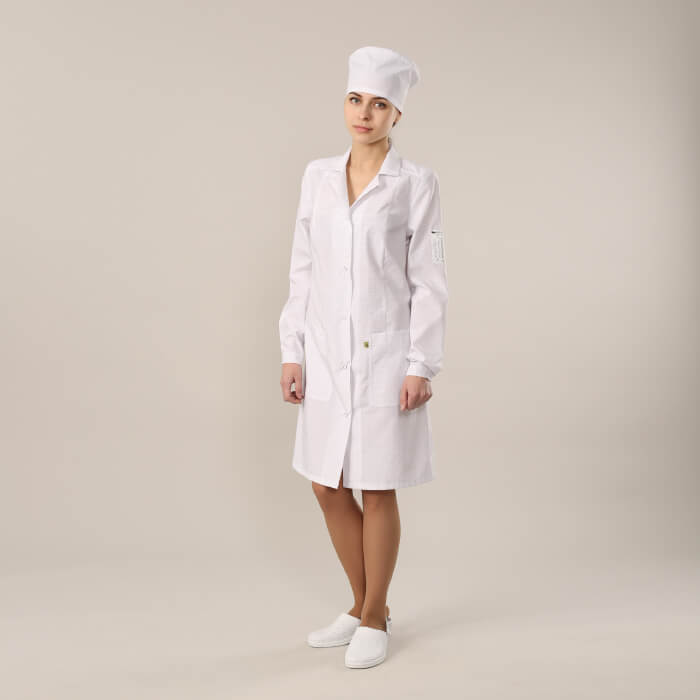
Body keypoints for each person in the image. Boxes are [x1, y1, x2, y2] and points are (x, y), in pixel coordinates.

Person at [278, 46, 448, 669]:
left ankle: (374, 614)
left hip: (386, 358)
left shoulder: (416, 183)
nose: (364, 113)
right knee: (327, 483)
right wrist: (292, 351)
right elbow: (303, 268)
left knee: (376, 485)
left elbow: (429, 279)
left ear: (396, 113)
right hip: (326, 353)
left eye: (379, 104)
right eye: (355, 100)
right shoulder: (317, 176)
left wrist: (421, 363)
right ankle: (360, 605)